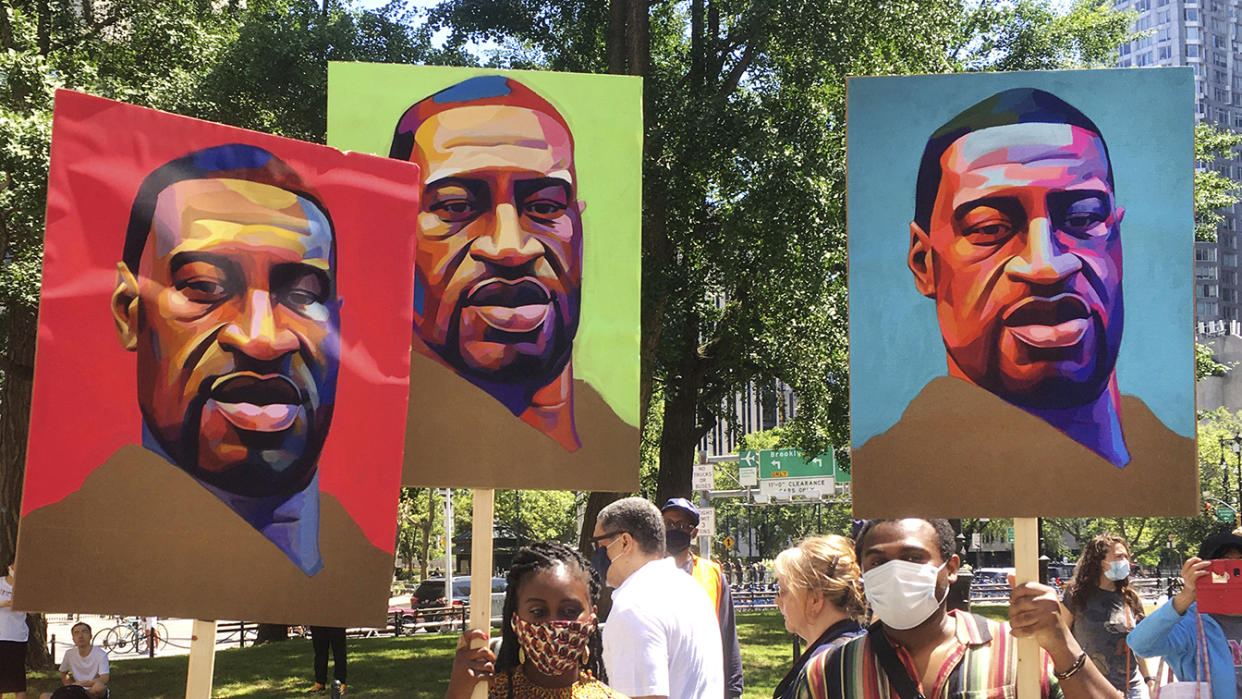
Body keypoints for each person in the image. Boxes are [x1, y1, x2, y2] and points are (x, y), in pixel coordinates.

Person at [17, 144, 392, 624]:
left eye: (302, 294)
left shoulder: (363, 563)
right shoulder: (60, 543)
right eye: (204, 286)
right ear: (129, 313)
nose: (262, 338)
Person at [852, 87, 1194, 516]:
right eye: (989, 227)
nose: (1045, 266)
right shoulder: (890, 474)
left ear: (1117, 241)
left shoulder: (1173, 465)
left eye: (1084, 218)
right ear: (924, 264)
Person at [387, 75, 637, 490]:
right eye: (455, 206)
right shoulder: (352, 433)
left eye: (544, 206)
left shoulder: (615, 434)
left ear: (577, 224)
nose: (510, 248)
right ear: (394, 231)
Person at [796, 518, 1119, 699]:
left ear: (951, 568)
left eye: (912, 558)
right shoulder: (827, 673)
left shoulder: (1019, 652)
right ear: (863, 573)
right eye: (878, 562)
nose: (894, 572)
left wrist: (1062, 645)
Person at [446, 541, 625, 698]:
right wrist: (458, 692)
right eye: (538, 611)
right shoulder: (486, 694)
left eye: (569, 611)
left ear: (592, 619)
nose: (553, 626)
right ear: (515, 621)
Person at [592, 497, 723, 698]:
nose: (597, 555)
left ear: (625, 542)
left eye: (599, 545)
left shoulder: (633, 609)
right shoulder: (692, 591)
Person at [1128, 527, 1242, 699]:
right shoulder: (1191, 624)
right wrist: (1185, 597)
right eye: (1224, 564)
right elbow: (1140, 645)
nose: (1235, 572)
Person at [660, 498, 744, 699]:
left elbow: (727, 632)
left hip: (703, 684)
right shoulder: (646, 573)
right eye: (669, 523)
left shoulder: (712, 574)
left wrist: (733, 689)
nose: (674, 529)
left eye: (682, 525)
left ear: (694, 533)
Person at [771, 535, 866, 699]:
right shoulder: (856, 648)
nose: (777, 600)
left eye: (783, 591)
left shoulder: (825, 667)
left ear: (814, 600)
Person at [1061, 534, 1151, 697]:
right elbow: (1061, 637)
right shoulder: (1075, 596)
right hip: (1089, 688)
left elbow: (1139, 644)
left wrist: (1149, 679)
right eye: (1118, 556)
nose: (1125, 561)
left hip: (1130, 689)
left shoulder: (1129, 598)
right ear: (1101, 562)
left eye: (1126, 556)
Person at [40, 623, 108, 699]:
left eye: (84, 632)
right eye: (76, 633)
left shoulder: (101, 654)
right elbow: (63, 673)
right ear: (73, 638)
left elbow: (104, 679)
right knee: (44, 696)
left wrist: (81, 684)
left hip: (91, 691)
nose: (81, 636)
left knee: (99, 687)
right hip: (76, 690)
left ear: (90, 636)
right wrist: (70, 687)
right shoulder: (69, 654)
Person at [0, 560, 27, 699]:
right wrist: (3, 604)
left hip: (17, 636)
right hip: (1, 634)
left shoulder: (25, 587)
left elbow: (33, 610)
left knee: (18, 678)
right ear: (9, 566)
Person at [308, 626, 347, 695]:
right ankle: (319, 683)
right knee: (319, 652)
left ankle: (340, 683)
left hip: (336, 620)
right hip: (318, 621)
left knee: (339, 652)